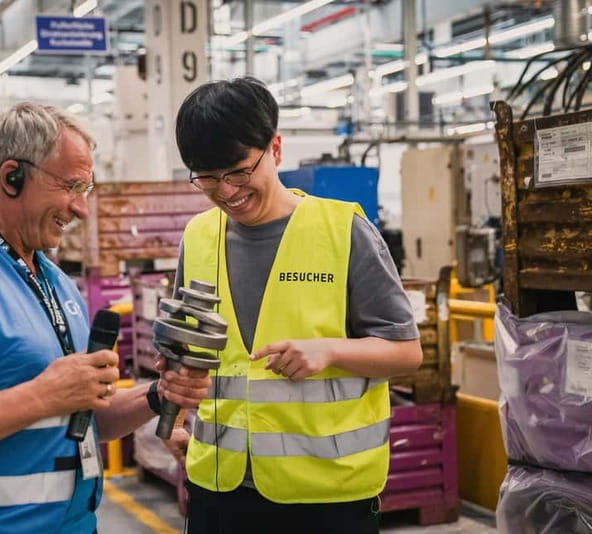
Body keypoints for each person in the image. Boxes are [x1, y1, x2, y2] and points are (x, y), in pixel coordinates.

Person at [0, 102, 210, 534]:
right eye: (71, 186)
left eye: (88, 189)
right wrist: (43, 396)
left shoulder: (54, 282)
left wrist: (155, 395)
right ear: (12, 177)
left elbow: (81, 420)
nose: (82, 209)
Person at [166, 77, 424, 534]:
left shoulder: (343, 231)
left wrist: (330, 351)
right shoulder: (198, 236)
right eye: (207, 178)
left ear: (275, 149)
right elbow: (190, 352)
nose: (226, 192)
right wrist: (176, 415)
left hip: (325, 497)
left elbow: (406, 352)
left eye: (239, 171)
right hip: (218, 487)